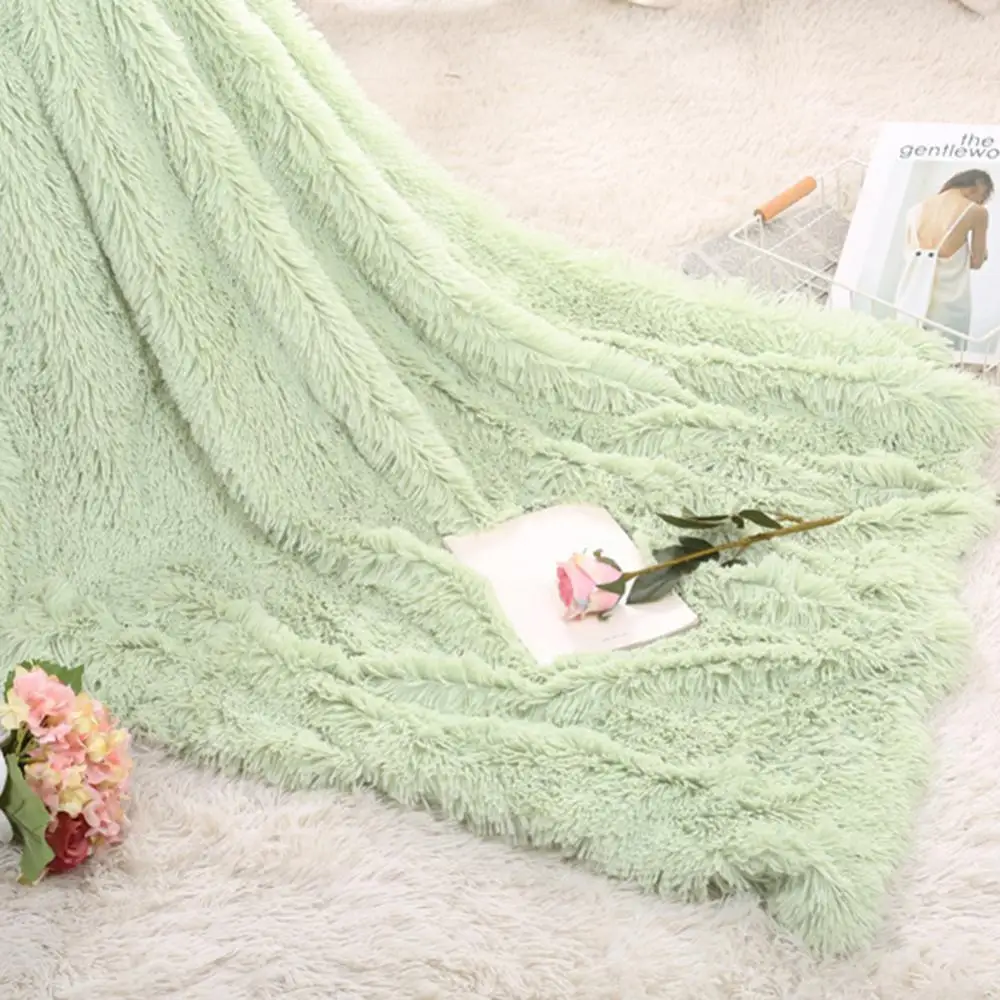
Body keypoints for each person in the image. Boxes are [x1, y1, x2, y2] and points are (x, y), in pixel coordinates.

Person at [893, 168, 992, 338]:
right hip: (947, 304)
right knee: (944, 350)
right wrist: (983, 254)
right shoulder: (977, 212)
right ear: (977, 186)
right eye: (983, 197)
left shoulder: (915, 209)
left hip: (910, 297)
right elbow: (976, 262)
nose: (981, 203)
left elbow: (908, 253)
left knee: (905, 344)